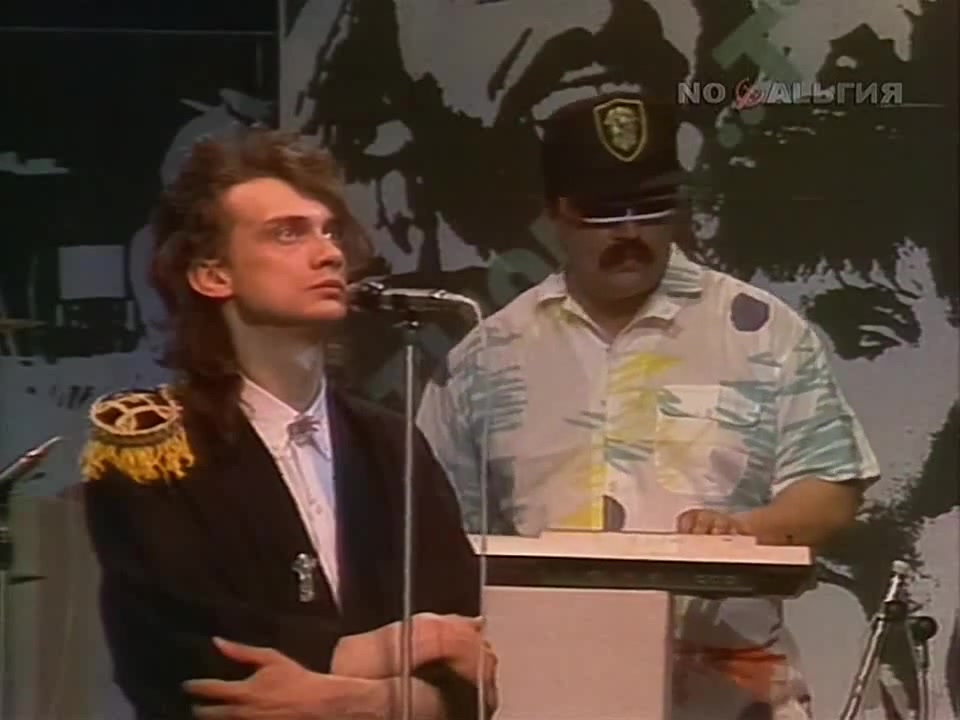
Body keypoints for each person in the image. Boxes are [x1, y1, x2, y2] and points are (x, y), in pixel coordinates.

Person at [416, 92, 880, 720]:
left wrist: (745, 531)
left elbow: (831, 489)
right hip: (546, 691)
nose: (631, 233)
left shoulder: (762, 331)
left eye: (652, 208)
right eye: (605, 213)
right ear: (556, 212)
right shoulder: (487, 356)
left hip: (733, 699)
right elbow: (437, 533)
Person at [80, 128, 497, 720]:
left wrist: (361, 703)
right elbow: (181, 656)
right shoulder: (154, 452)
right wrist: (392, 648)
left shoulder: (391, 445)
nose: (329, 254)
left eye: (329, 231)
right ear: (212, 274)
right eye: (288, 233)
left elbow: (468, 669)